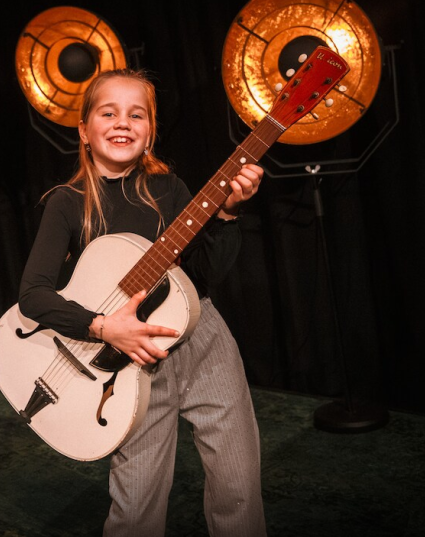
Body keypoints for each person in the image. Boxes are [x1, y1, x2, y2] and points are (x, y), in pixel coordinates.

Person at [18, 68, 267, 536]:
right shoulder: (67, 203)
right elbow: (33, 296)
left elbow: (206, 275)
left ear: (150, 132)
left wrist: (229, 212)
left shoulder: (169, 189)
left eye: (137, 115)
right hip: (130, 361)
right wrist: (101, 327)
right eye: (108, 113)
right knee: (137, 502)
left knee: (239, 482)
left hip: (203, 341)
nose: (122, 123)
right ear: (85, 131)